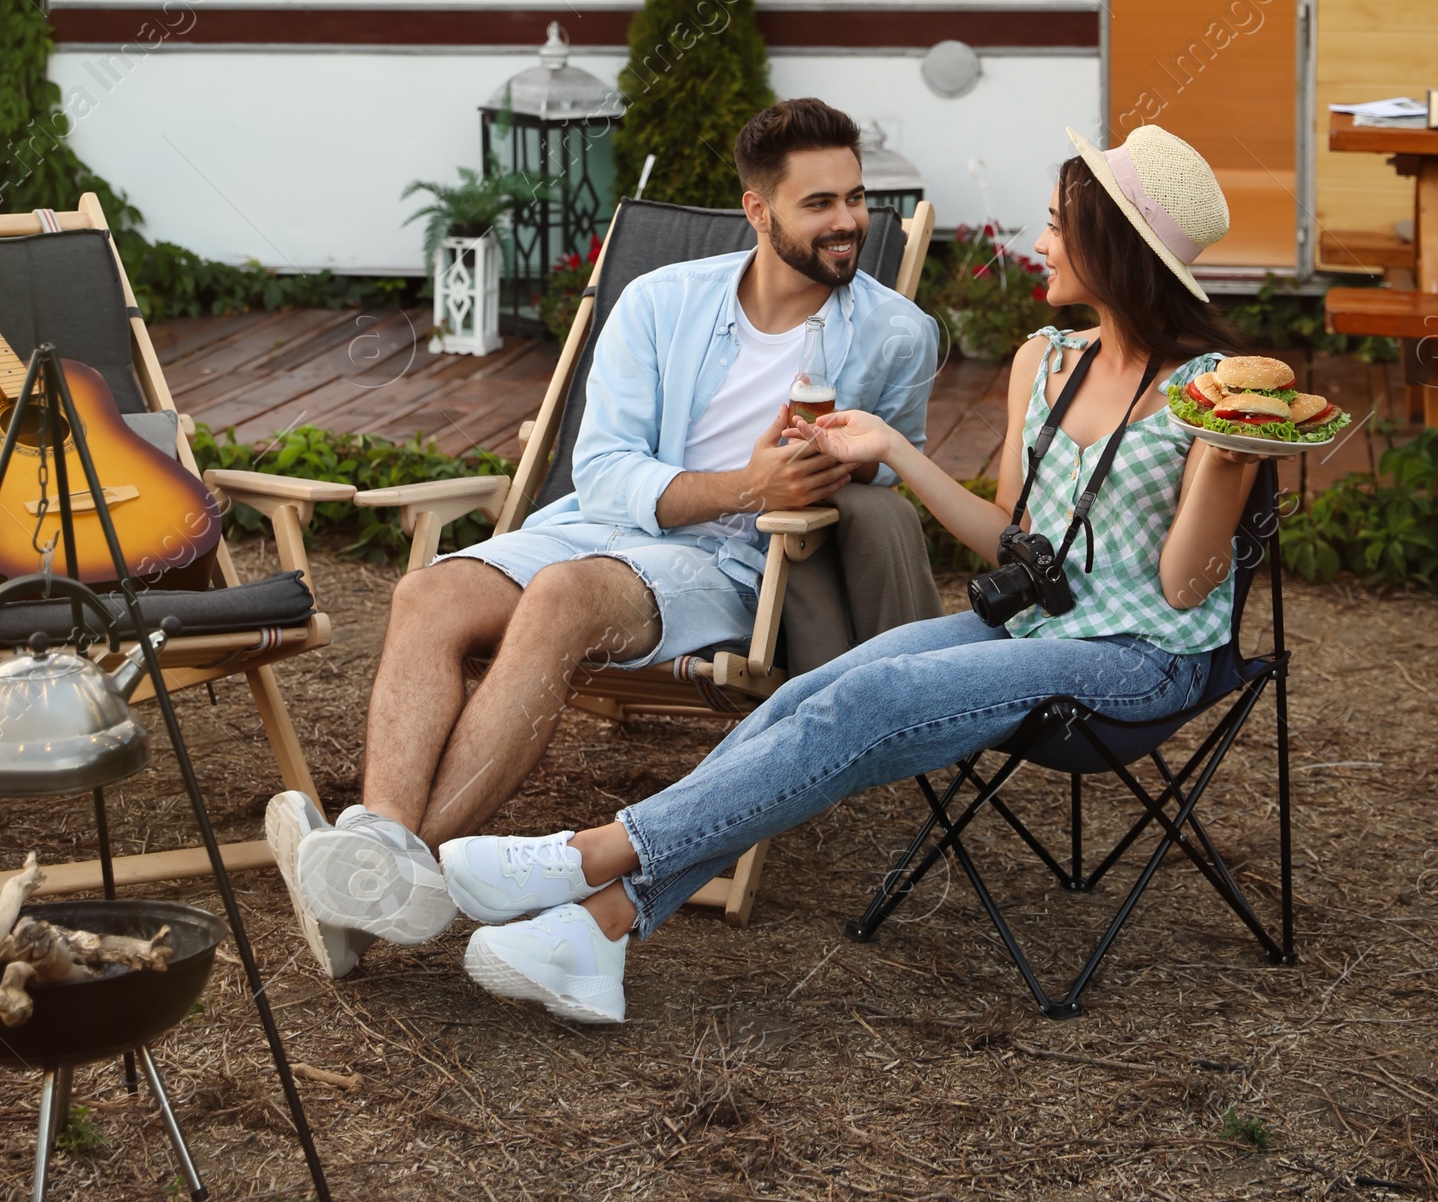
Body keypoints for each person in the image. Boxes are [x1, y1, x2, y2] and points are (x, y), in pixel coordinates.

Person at [438, 122, 1266, 1026]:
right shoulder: (1047, 361)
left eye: (1060, 225)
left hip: (1145, 658)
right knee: (811, 693)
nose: (1040, 242)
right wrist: (890, 452)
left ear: (1116, 245)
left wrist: (1226, 464)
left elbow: (1188, 590)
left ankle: (589, 857)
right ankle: (596, 935)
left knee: (871, 701)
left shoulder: (1218, 391)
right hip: (1039, 623)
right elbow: (1013, 543)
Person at [266, 96, 940, 980]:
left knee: (565, 596)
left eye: (857, 199)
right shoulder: (659, 300)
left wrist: (835, 473)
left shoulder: (896, 332)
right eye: (820, 204)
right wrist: (746, 478)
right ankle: (385, 849)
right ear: (759, 209)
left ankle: (397, 871)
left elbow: (898, 465)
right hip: (603, 524)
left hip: (735, 561)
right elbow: (607, 469)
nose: (849, 221)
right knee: (425, 591)